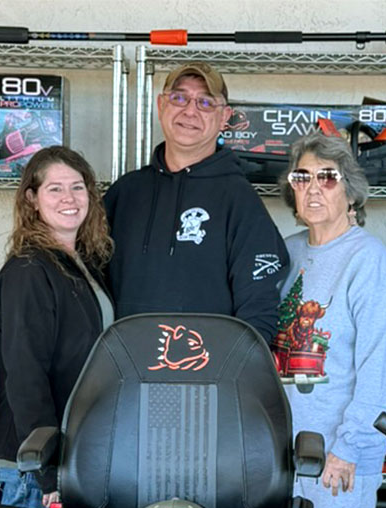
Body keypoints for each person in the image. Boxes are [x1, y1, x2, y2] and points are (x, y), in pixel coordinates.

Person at [274, 131, 386, 508]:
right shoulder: (285, 253)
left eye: (327, 177)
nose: (313, 189)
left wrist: (348, 448)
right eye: (302, 178)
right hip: (279, 458)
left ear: (350, 192)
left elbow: (379, 371)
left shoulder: (369, 261)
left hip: (336, 459)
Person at [103, 62, 288, 340]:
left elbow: (259, 311)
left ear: (225, 117)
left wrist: (231, 378)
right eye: (179, 98)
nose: (190, 111)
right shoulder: (125, 192)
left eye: (205, 102)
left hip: (204, 377)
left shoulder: (240, 201)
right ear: (161, 105)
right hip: (124, 374)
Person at [0, 146, 115, 508]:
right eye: (55, 189)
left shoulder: (81, 263)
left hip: (72, 457)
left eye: (77, 187)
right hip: (32, 468)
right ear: (32, 198)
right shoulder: (30, 271)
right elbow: (25, 375)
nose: (69, 198)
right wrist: (46, 468)